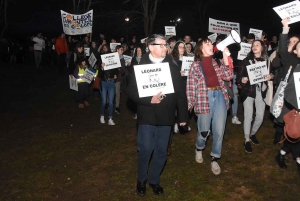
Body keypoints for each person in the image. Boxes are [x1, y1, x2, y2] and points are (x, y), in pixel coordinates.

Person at [127, 34, 188, 196]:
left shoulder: (173, 65)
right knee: (146, 148)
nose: (165, 48)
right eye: (161, 45)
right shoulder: (140, 64)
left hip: (166, 115)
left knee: (161, 150)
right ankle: (141, 179)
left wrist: (182, 116)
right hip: (147, 113)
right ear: (150, 46)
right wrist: (149, 100)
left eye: (166, 45)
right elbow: (131, 91)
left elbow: (181, 93)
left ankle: (154, 180)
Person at [186, 38, 233, 175]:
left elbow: (229, 76)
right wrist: (190, 102)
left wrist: (225, 57)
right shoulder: (195, 65)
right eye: (207, 44)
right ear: (201, 49)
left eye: (211, 44)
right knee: (204, 131)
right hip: (203, 98)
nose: (211, 45)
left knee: (219, 131)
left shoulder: (217, 62)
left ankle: (214, 158)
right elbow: (190, 85)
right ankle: (199, 148)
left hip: (219, 96)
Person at [236, 40, 274, 153]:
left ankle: (252, 133)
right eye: (253, 45)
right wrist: (242, 80)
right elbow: (238, 77)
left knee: (260, 116)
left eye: (257, 45)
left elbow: (272, 73)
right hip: (248, 91)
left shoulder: (267, 62)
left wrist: (270, 76)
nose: (254, 47)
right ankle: (247, 139)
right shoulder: (246, 61)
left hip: (260, 92)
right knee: (248, 116)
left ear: (262, 48)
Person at [274, 18, 300, 175]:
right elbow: (283, 50)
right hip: (290, 105)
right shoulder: (291, 60)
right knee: (294, 133)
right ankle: (296, 159)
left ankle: (282, 154)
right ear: (296, 51)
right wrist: (285, 29)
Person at [99, 50, 119, 125]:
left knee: (111, 101)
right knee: (104, 101)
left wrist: (116, 75)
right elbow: (99, 75)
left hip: (111, 83)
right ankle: (102, 116)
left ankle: (110, 118)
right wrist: (102, 68)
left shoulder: (114, 64)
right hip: (104, 83)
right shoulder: (102, 64)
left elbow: (116, 71)